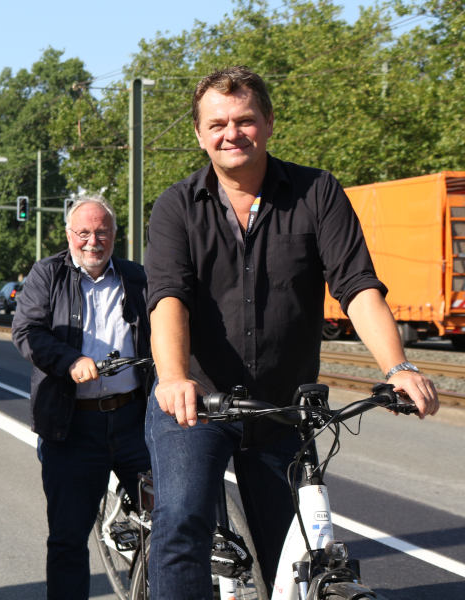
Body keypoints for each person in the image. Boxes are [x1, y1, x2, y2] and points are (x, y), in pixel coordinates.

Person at [144, 67, 439, 599]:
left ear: (269, 124)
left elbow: (356, 285)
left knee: (292, 555)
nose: (231, 133)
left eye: (245, 120)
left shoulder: (317, 192)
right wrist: (171, 378)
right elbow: (168, 298)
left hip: (282, 406)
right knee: (182, 525)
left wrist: (398, 368)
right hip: (197, 402)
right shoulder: (175, 207)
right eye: (217, 124)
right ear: (198, 134)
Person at [12, 195, 151, 600]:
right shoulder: (47, 274)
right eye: (84, 232)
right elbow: (28, 332)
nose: (93, 241)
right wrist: (70, 361)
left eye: (102, 232)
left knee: (166, 524)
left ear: (114, 235)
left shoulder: (136, 277)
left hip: (133, 423)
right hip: (72, 425)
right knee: (69, 539)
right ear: (69, 235)